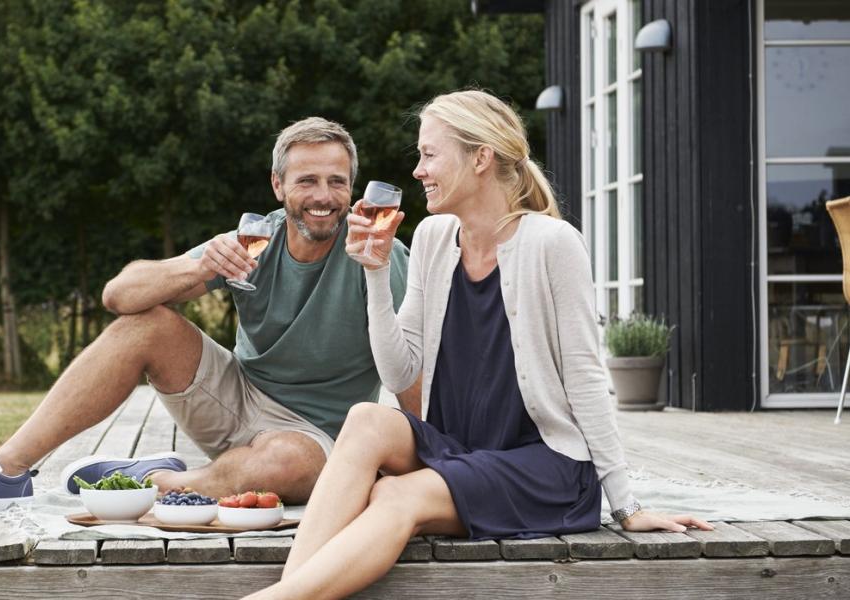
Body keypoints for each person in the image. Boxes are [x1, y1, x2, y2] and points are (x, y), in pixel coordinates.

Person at [244, 91, 712, 600]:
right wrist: (375, 274)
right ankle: (290, 590)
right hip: (461, 450)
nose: (419, 171)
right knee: (365, 418)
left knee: (398, 494)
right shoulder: (433, 238)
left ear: (481, 157)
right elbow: (400, 375)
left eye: (429, 154)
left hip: (545, 467)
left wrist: (625, 505)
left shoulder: (552, 244)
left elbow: (585, 376)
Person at [0, 117, 416, 514]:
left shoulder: (378, 255)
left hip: (312, 435)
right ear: (278, 186)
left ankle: (155, 481)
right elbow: (119, 294)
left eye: (337, 181)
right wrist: (199, 266)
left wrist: (420, 459)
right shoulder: (254, 239)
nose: (324, 197)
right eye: (307, 180)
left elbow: (413, 362)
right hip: (235, 399)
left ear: (352, 188)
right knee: (146, 325)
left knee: (289, 465)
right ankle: (6, 472)